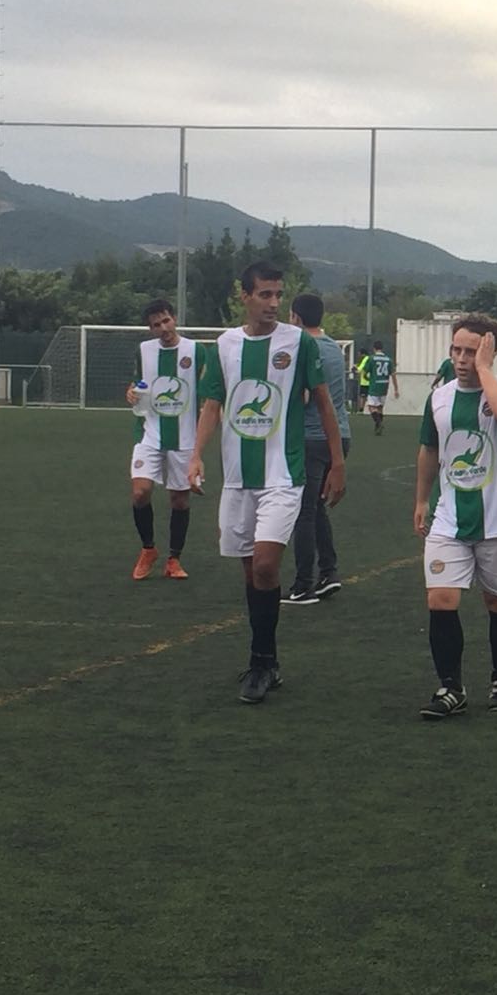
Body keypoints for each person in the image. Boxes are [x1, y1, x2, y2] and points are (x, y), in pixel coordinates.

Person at [188, 262, 347, 705]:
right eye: (265, 294)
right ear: (244, 296)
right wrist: (196, 455)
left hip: (284, 474)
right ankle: (267, 660)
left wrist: (337, 462)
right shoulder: (225, 345)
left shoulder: (298, 343)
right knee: (250, 571)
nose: (274, 303)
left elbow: (324, 403)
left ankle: (261, 662)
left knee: (264, 566)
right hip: (239, 478)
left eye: (279, 295)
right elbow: (212, 404)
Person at [413, 315, 497, 719]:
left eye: (471, 351)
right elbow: (429, 448)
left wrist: (485, 370)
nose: (461, 358)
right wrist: (421, 500)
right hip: (449, 519)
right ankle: (450, 688)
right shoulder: (439, 398)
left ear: (490, 352)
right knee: (440, 599)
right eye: (456, 349)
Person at [126, 297, 209, 581]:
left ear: (174, 318)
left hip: (185, 437)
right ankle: (148, 549)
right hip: (149, 433)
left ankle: (174, 559)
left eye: (166, 321)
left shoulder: (196, 351)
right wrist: (131, 392)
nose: (163, 328)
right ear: (150, 329)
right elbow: (139, 383)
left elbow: (210, 387)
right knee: (140, 492)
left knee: (179, 501)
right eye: (156, 325)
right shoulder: (143, 351)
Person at [285, 293, 351, 606]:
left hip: (312, 437)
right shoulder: (334, 348)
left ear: (295, 318)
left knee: (304, 512)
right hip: (340, 436)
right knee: (317, 508)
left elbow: (306, 397)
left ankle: (303, 585)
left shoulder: (303, 348)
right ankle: (328, 573)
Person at [364, 341, 399, 435]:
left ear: (374, 348)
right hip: (384, 385)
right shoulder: (388, 359)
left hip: (374, 385)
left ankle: (378, 422)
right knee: (380, 407)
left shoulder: (372, 359)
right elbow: (393, 375)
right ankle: (378, 428)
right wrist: (396, 389)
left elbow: (365, 372)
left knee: (371, 406)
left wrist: (367, 378)